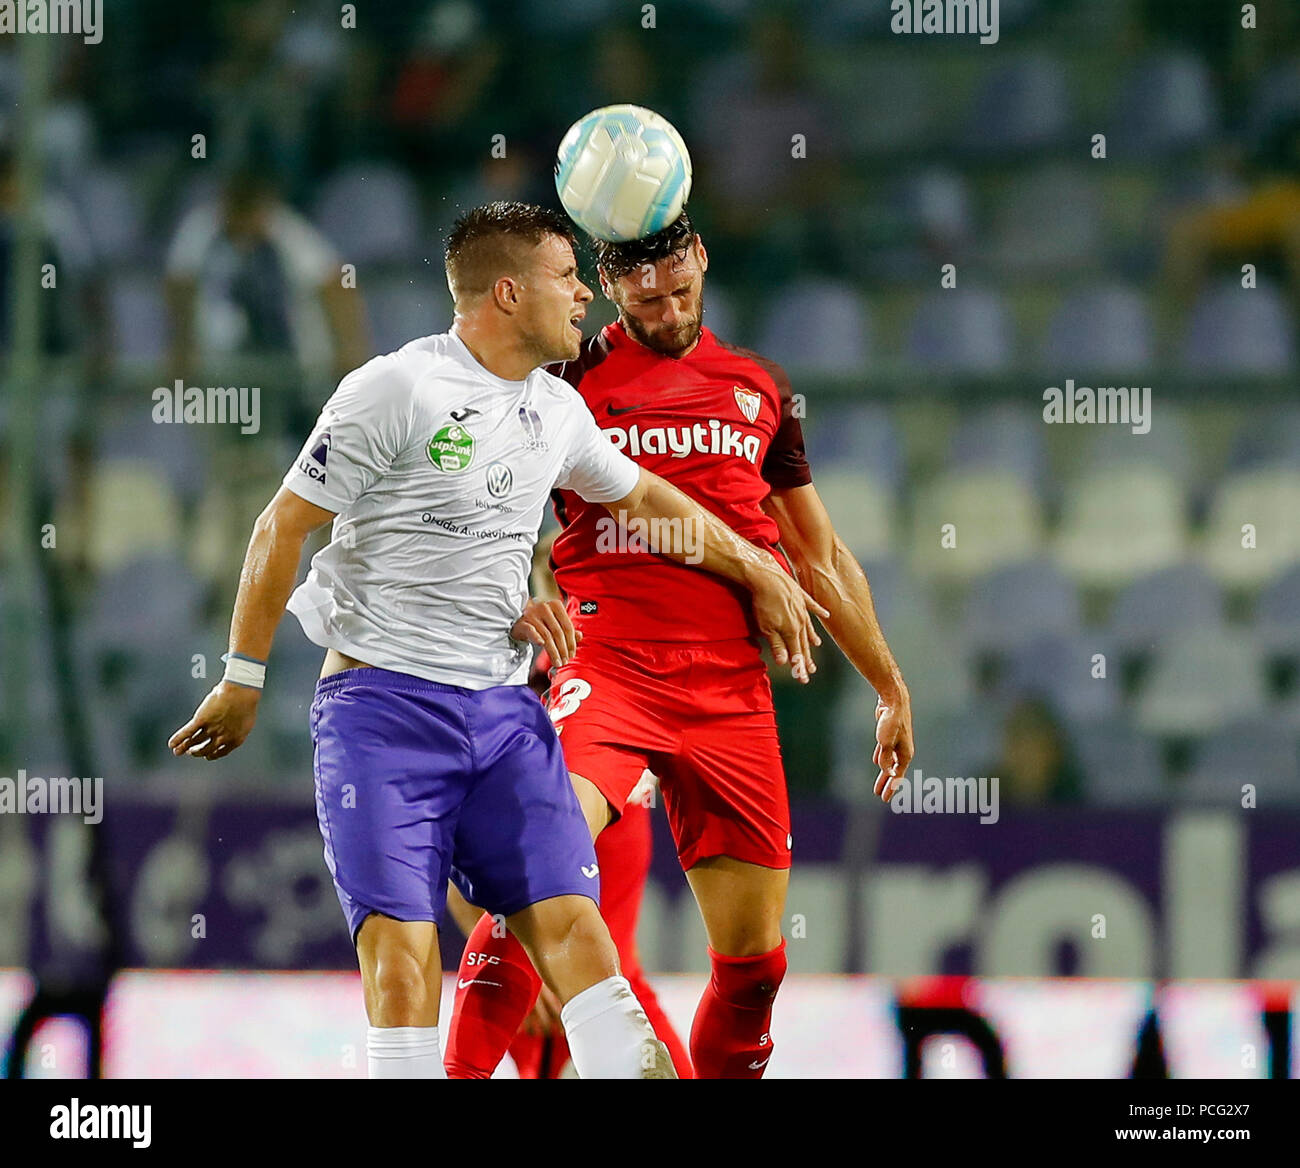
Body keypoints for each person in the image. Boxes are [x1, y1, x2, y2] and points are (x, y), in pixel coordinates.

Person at [167, 201, 823, 1080]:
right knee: (403, 958)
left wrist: (757, 567)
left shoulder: (557, 410)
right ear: (510, 294)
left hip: (505, 712)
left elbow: (650, 503)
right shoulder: (393, 389)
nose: (589, 296)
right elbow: (280, 529)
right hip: (382, 712)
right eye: (567, 280)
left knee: (576, 931)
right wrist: (243, 677)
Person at [446, 209, 914, 1079]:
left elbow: (818, 552)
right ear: (610, 286)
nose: (664, 311)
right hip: (609, 668)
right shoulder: (564, 377)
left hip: (730, 691)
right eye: (643, 296)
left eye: (679, 290)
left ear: (701, 257)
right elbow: (480, 501)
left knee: (754, 969)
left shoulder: (761, 387)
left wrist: (889, 685)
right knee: (529, 868)